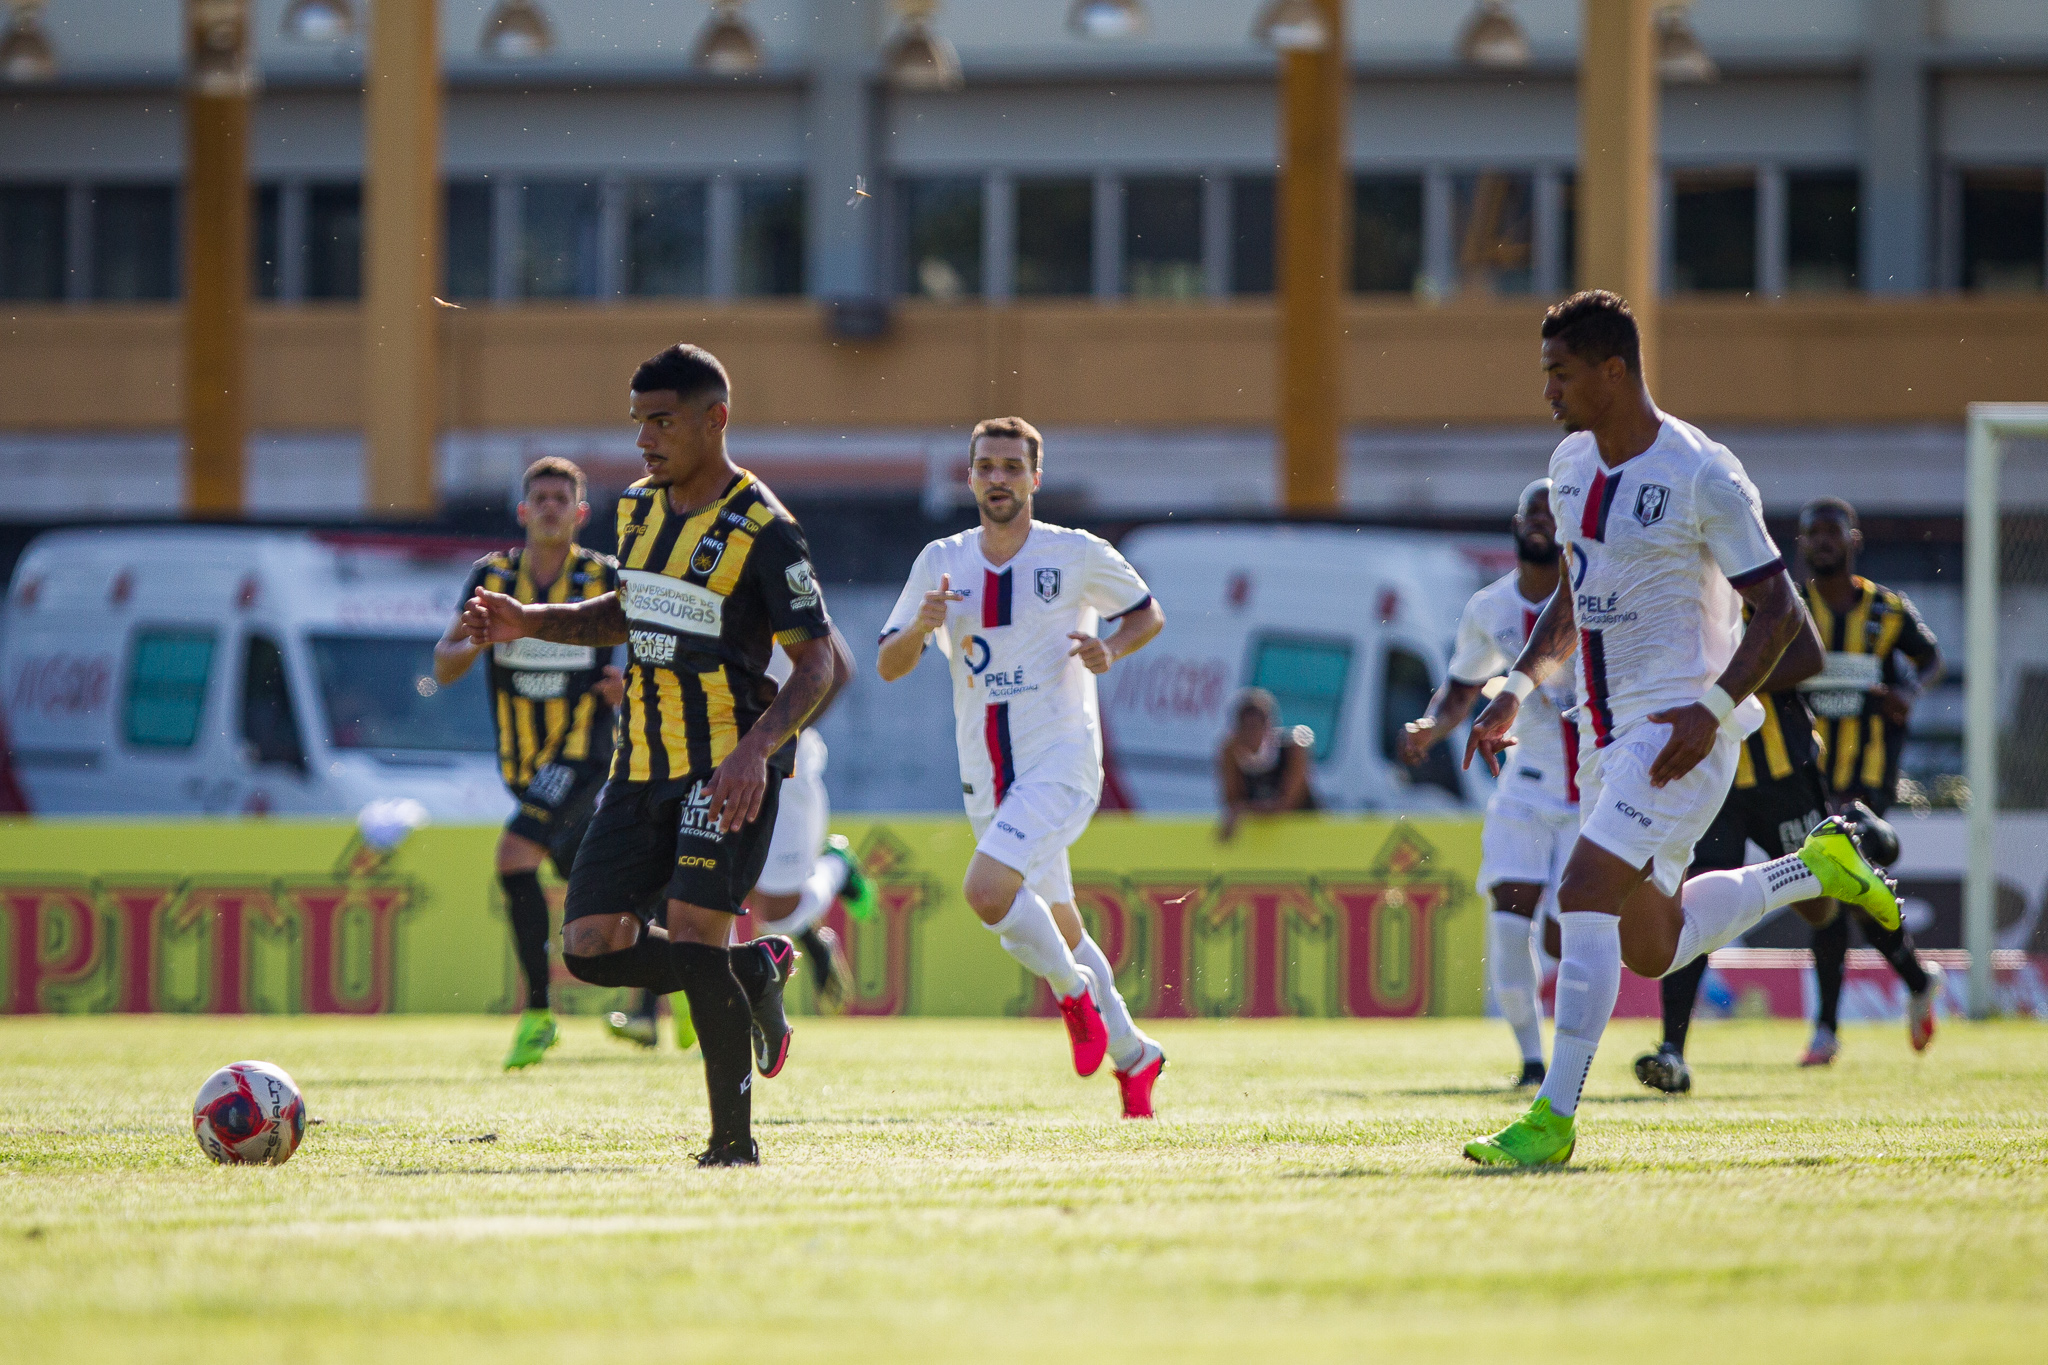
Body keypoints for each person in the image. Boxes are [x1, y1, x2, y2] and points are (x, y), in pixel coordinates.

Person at [1459, 291, 1898, 1168]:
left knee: (1582, 889)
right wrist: (1515, 687)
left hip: (1679, 733)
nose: (1548, 392)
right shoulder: (1571, 465)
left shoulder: (1704, 473)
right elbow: (1574, 595)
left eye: (1560, 374)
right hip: (1605, 735)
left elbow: (1782, 615)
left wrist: (1712, 708)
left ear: (1613, 370)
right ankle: (1814, 866)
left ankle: (1552, 1117)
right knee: (1652, 945)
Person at [463, 343, 854, 1167]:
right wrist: (530, 620)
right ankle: (753, 970)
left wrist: (756, 751)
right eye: (638, 421)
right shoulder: (638, 510)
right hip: (637, 767)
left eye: (662, 422)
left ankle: (732, 1145)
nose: (643, 439)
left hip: (722, 770)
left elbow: (821, 662)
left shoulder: (765, 529)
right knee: (589, 943)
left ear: (716, 420)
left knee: (692, 932)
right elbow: (628, 610)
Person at [877, 416, 1170, 1118]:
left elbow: (1147, 615)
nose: (998, 478)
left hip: (1062, 760)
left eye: (1012, 466)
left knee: (986, 890)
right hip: (987, 771)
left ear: (1035, 478)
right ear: (969, 477)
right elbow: (888, 664)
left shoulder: (1075, 552)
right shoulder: (941, 560)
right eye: (987, 466)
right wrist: (921, 625)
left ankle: (1072, 996)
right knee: (1058, 923)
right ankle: (1135, 1054)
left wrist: (1110, 651)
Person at [432, 456, 626, 1071]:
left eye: (560, 499)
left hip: (583, 754)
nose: (549, 508)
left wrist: (631, 683)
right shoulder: (491, 577)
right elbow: (443, 664)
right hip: (521, 766)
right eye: (539, 498)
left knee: (513, 857)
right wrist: (474, 640)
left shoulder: (603, 576)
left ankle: (538, 1014)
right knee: (598, 888)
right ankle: (671, 981)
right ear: (521, 511)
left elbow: (656, 647)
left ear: (580, 513)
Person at [1401, 478, 1574, 1088]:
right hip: (1526, 781)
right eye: (1532, 513)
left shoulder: (1598, 599)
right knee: (1507, 922)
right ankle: (1531, 1061)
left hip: (1597, 786)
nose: (1542, 523)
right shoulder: (1489, 607)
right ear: (1515, 524)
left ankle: (1571, 1053)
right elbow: (1460, 688)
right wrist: (1432, 727)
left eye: (1553, 514)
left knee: (1570, 934)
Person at [1792, 496, 1945, 1065]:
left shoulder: (1886, 609)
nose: (1823, 541)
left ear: (1853, 541)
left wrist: (1909, 692)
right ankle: (1917, 980)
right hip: (1807, 779)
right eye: (1814, 533)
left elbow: (1930, 659)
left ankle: (1826, 1030)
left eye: (1833, 532)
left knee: (1834, 884)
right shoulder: (1790, 608)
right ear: (1801, 544)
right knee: (1842, 894)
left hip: (1868, 779)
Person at [1217, 687, 1316, 841]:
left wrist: (1243, 810)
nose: (1251, 734)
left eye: (1256, 726)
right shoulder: (1230, 751)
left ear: (1269, 726)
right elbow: (1232, 801)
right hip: (1259, 838)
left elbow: (1287, 805)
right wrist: (1240, 811)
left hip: (1306, 832)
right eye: (1244, 727)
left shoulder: (1294, 748)